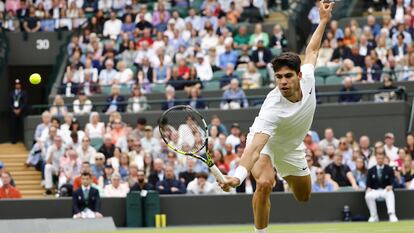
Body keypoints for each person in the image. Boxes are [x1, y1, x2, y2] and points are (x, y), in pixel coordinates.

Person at [219, 3, 335, 232]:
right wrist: (238, 177)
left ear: (299, 76)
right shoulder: (272, 108)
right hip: (267, 145)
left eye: (288, 76)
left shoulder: (309, 78)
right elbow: (253, 148)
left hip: (291, 148)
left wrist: (323, 20)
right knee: (264, 183)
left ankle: (285, 172)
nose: (282, 81)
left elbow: (312, 51)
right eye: (278, 77)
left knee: (304, 196)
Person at [365, 151, 398, 222]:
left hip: (385, 190)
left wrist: (391, 186)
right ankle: (373, 216)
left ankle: (392, 214)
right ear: (376, 159)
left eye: (381, 158)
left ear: (383, 159)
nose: (380, 160)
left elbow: (393, 181)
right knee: (368, 196)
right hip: (375, 191)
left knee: (390, 193)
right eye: (378, 158)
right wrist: (368, 188)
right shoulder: (371, 170)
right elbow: (368, 183)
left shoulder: (389, 169)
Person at [9, 79, 27, 144]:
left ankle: (22, 139)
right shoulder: (11, 93)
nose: (17, 85)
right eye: (16, 84)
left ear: (20, 85)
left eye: (18, 84)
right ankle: (14, 139)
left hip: (21, 111)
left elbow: (25, 102)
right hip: (13, 112)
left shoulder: (23, 92)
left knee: (22, 125)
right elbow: (10, 103)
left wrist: (20, 109)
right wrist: (14, 109)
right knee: (13, 125)